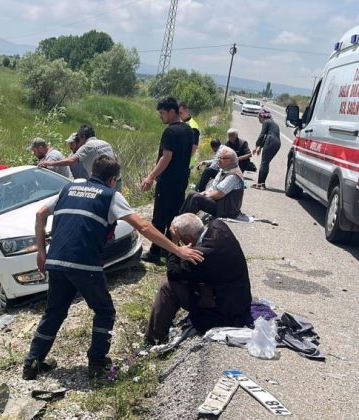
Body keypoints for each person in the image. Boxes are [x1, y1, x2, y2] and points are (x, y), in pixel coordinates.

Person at [23, 156, 204, 380]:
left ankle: (32, 362)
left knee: (55, 311)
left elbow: (40, 214)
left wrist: (41, 251)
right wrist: (178, 251)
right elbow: (144, 226)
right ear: (112, 179)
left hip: (56, 261)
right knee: (105, 310)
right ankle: (97, 364)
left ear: (92, 172)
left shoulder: (68, 189)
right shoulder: (110, 196)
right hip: (83, 262)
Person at [145, 213, 252, 344]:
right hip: (240, 298)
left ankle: (154, 339)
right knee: (185, 277)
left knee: (168, 287)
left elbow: (173, 273)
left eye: (181, 238)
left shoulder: (202, 255)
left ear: (188, 238)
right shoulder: (219, 226)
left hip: (226, 313)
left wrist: (175, 245)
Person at [140, 97, 194, 263]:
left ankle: (155, 252)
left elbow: (166, 157)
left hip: (168, 181)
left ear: (172, 112)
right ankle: (168, 249)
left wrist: (151, 177)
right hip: (181, 179)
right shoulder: (188, 129)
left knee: (158, 218)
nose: (160, 116)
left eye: (162, 113)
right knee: (174, 217)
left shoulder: (170, 132)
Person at [181, 147, 245, 219]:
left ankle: (185, 223)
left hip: (227, 210)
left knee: (196, 198)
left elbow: (219, 194)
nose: (218, 160)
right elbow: (213, 187)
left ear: (229, 160)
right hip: (221, 204)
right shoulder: (225, 168)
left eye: (221, 158)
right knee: (192, 194)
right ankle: (180, 218)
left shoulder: (234, 175)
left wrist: (204, 195)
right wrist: (203, 193)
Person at [39, 124, 114, 178]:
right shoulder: (105, 143)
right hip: (115, 178)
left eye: (80, 139)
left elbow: (72, 160)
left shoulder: (88, 146)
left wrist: (50, 163)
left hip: (103, 181)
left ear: (83, 137)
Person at [253, 110, 281, 189]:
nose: (259, 120)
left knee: (264, 163)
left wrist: (256, 146)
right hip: (276, 143)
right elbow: (267, 135)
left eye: (259, 118)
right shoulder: (272, 122)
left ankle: (260, 184)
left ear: (263, 117)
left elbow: (262, 135)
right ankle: (261, 183)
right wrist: (260, 147)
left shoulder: (266, 122)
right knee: (266, 162)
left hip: (270, 141)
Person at [179, 102, 200, 166]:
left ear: (187, 111)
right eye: (178, 113)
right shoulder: (183, 123)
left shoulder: (193, 126)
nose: (179, 115)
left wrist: (186, 159)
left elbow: (194, 145)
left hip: (187, 162)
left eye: (181, 113)